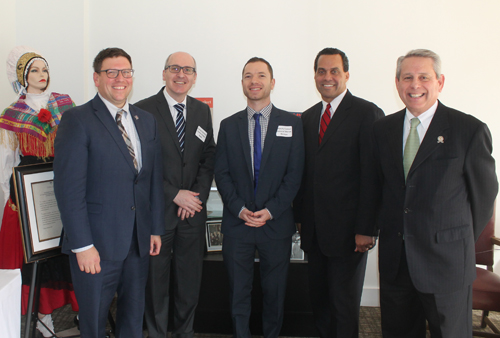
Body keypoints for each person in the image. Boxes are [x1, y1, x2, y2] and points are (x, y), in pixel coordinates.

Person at [370, 49, 497, 337]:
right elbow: (378, 188)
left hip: (446, 262)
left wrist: (455, 238)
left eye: (424, 77)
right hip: (396, 261)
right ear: (397, 82)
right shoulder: (382, 130)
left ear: (440, 82)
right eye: (407, 77)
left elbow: (483, 197)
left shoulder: (469, 130)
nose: (415, 85)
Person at [53, 47, 164, 338]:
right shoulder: (77, 120)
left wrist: (154, 229)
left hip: (138, 243)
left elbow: (150, 180)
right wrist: (82, 245)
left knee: (132, 318)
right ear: (96, 78)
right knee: (93, 323)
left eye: (126, 72)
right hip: (96, 247)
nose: (120, 79)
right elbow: (68, 190)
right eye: (111, 72)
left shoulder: (145, 120)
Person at [293, 47, 384, 338]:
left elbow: (373, 176)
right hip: (314, 233)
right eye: (321, 71)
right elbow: (303, 175)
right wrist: (299, 219)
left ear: (346, 74)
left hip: (350, 235)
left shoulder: (367, 113)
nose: (327, 77)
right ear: (315, 76)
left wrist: (367, 229)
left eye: (334, 71)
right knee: (319, 303)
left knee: (344, 307)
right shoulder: (306, 118)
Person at [214, 57, 304, 338]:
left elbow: (295, 175)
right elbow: (222, 173)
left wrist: (271, 210)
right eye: (248, 76)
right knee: (237, 293)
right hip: (237, 225)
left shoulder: (292, 123)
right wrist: (239, 209)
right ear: (242, 83)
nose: (254, 81)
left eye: (261, 75)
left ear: (272, 83)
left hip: (275, 225)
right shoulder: (228, 125)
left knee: (274, 293)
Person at [135, 51, 215, 338]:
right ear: (164, 73)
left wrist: (195, 197)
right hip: (157, 216)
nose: (181, 75)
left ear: (194, 77)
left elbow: (208, 158)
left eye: (188, 70)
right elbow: (138, 166)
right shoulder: (142, 110)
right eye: (175, 68)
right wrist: (174, 194)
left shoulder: (202, 111)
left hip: (191, 214)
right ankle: (156, 333)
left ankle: (185, 333)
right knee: (155, 284)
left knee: (189, 283)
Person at [0, 45, 78, 337]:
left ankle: (83, 312)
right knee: (34, 256)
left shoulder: (65, 104)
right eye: (35, 70)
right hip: (28, 193)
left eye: (45, 69)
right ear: (23, 76)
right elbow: (7, 161)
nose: (42, 74)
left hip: (61, 186)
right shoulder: (12, 114)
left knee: (65, 250)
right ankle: (42, 315)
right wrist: (9, 198)